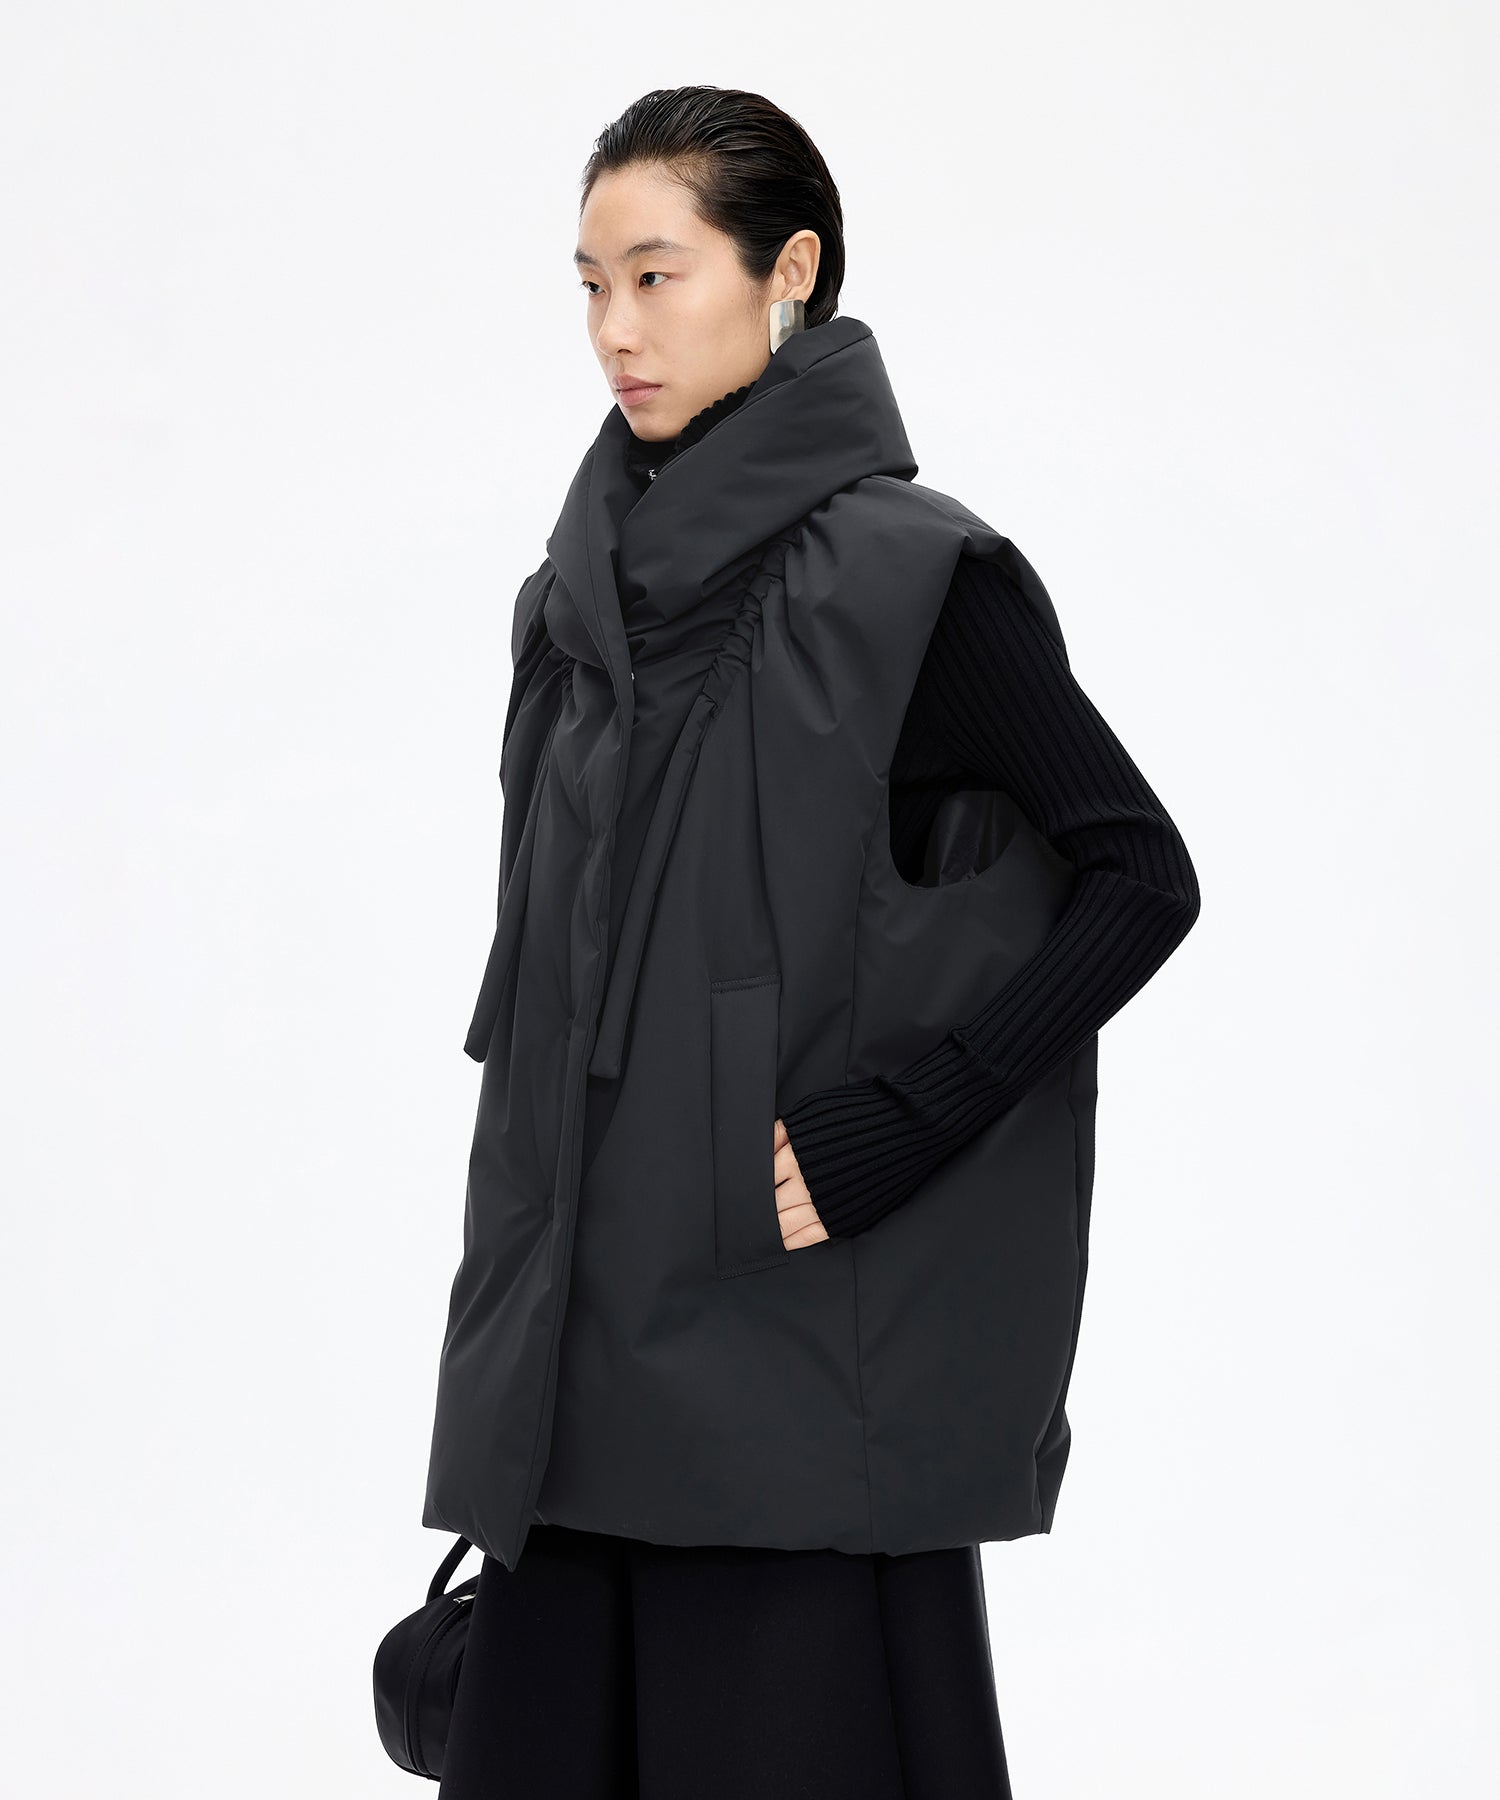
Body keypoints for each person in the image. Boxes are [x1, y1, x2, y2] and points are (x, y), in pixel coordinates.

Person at [430, 84, 1200, 1800]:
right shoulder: (570, 610)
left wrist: (902, 1122)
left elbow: (1141, 876)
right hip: (567, 1381)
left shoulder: (914, 583)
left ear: (790, 273)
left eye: (657, 276)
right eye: (590, 286)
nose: (615, 331)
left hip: (785, 1390)